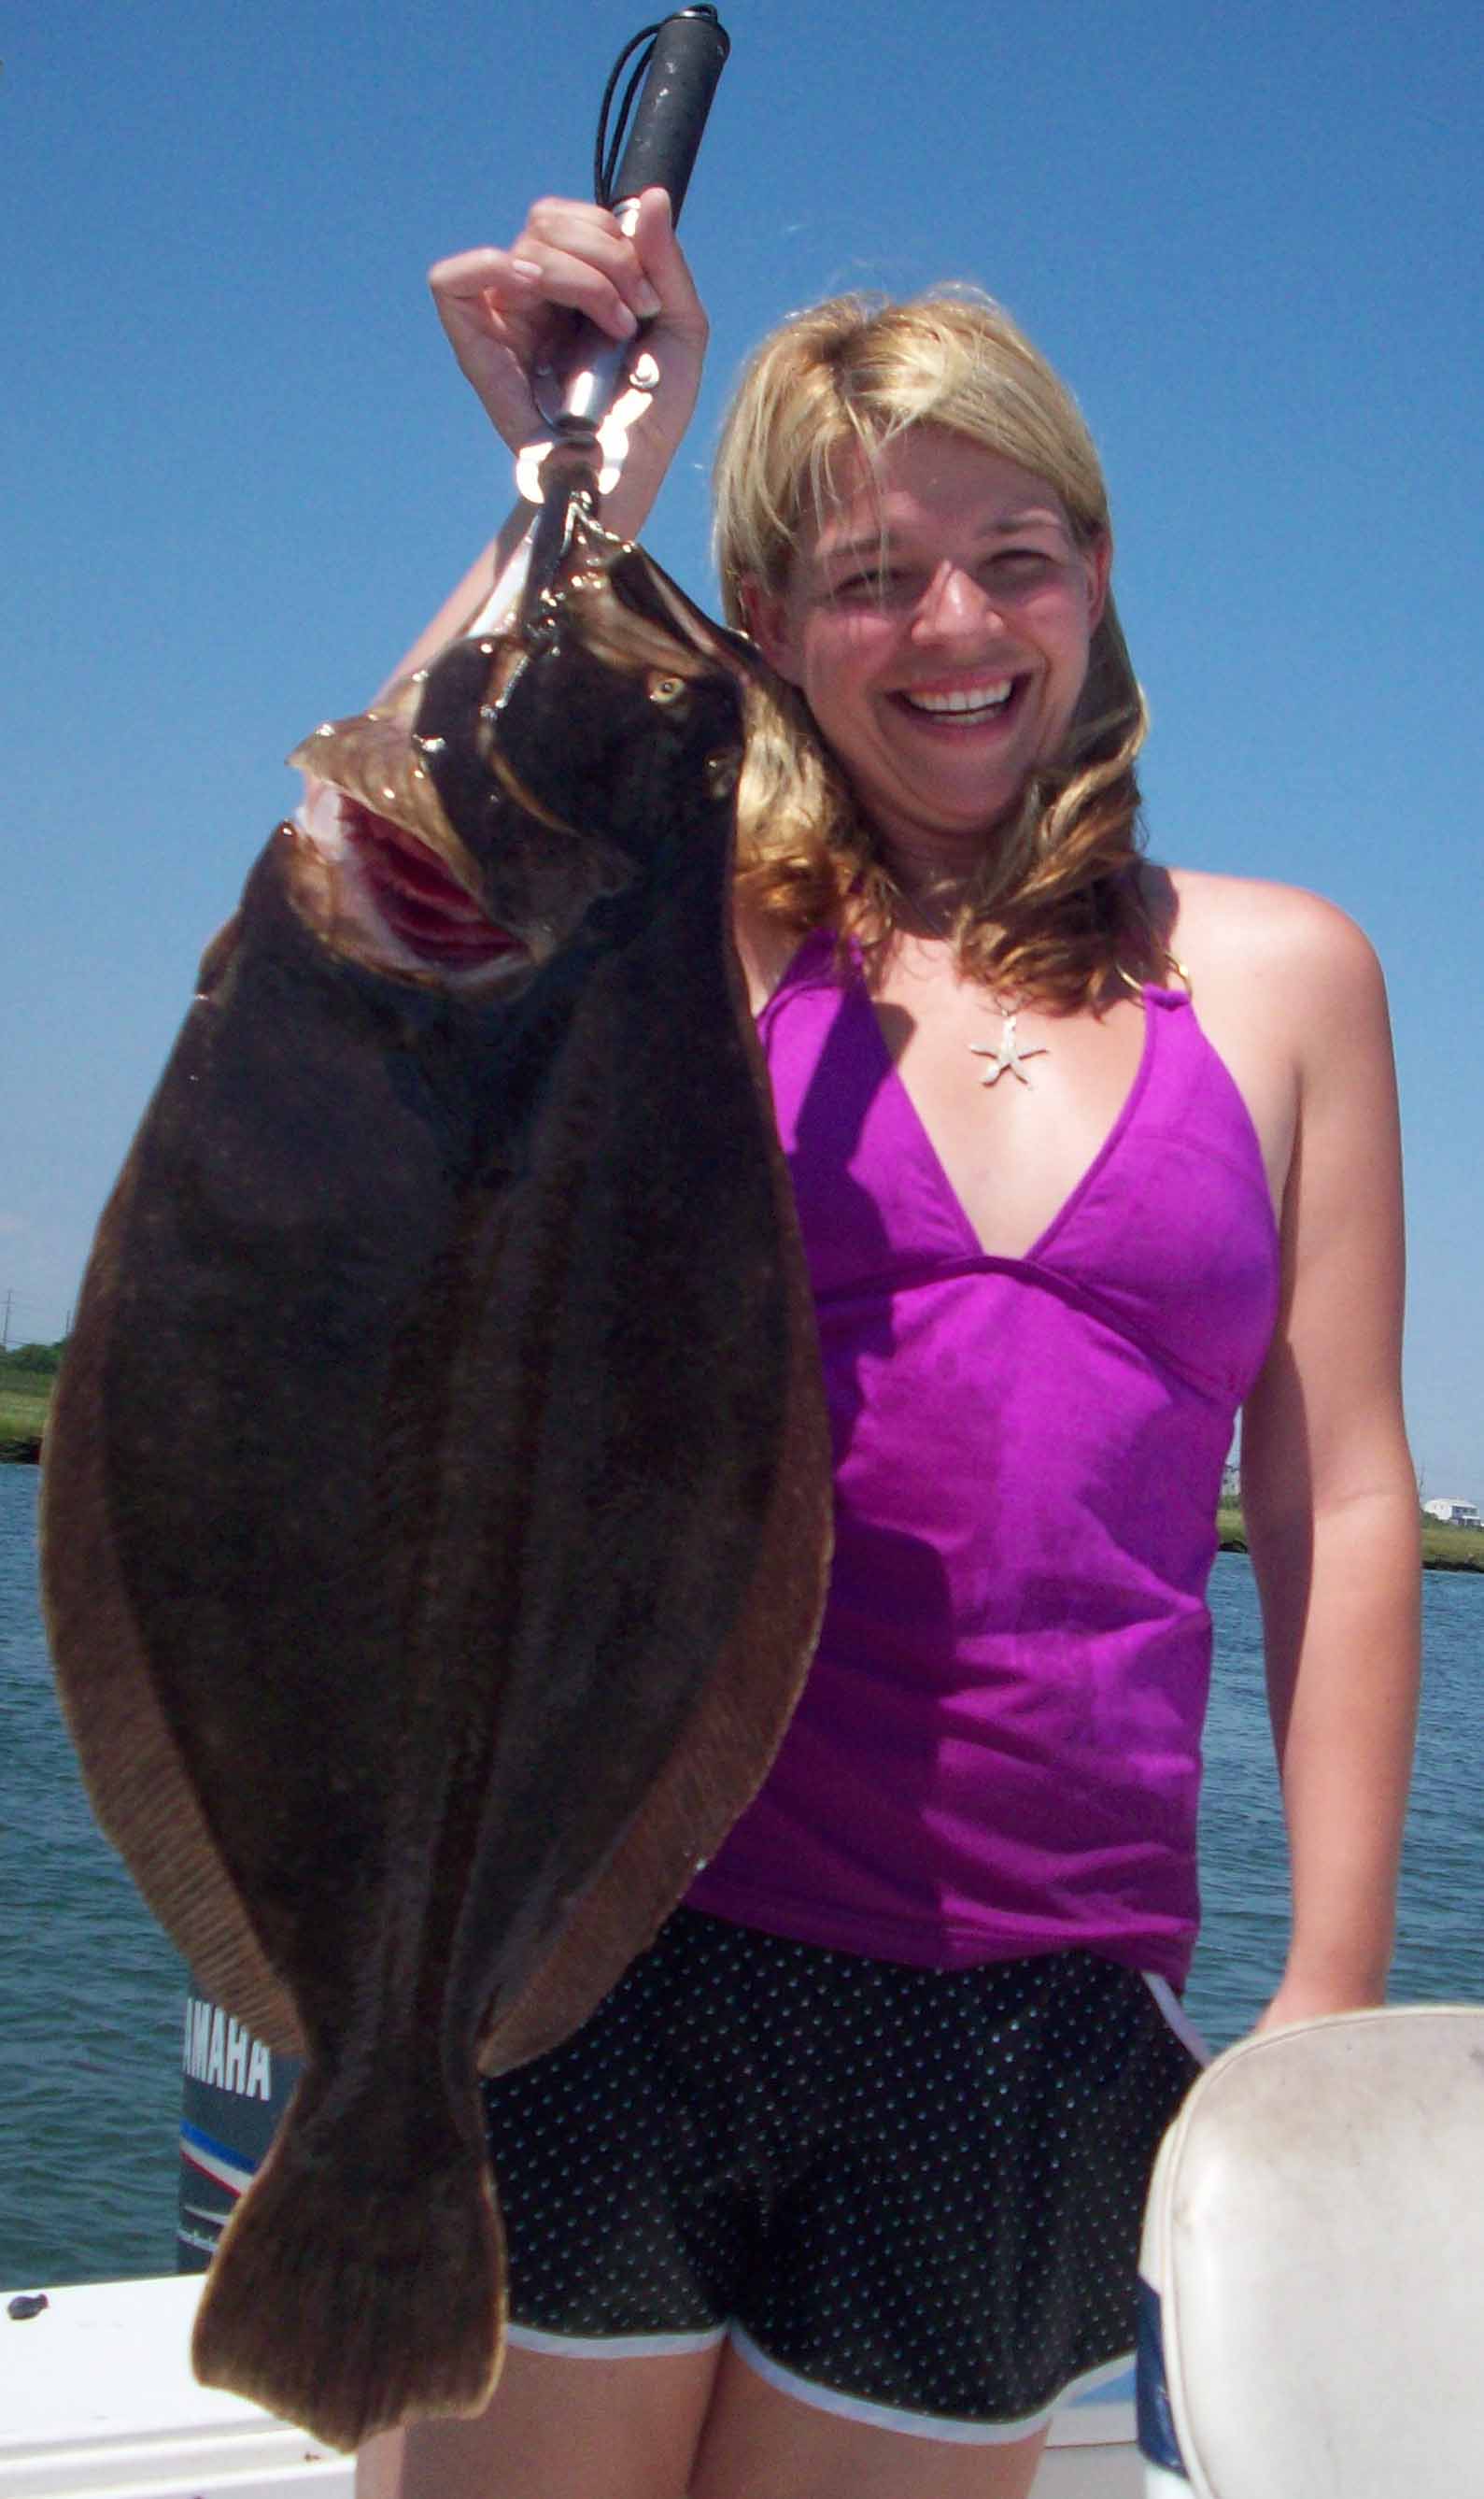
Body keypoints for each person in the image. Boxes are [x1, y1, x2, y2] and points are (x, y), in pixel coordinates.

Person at [357, 190, 1420, 2499]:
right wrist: (576, 494)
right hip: (611, 1942)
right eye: (871, 575)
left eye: (1015, 553)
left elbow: (1335, 1494)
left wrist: (1326, 1986)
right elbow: (387, 892)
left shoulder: (1290, 983)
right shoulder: (684, 934)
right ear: (767, 624)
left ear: (1103, 568)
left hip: (1033, 2021)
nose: (956, 624)